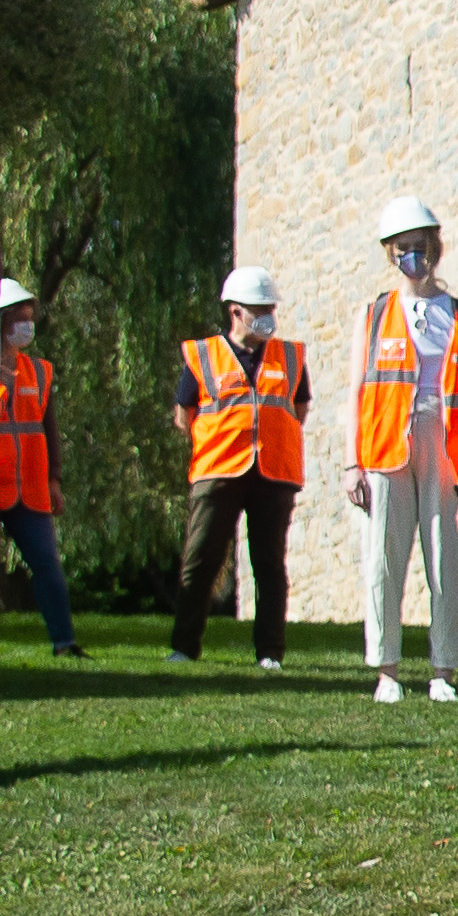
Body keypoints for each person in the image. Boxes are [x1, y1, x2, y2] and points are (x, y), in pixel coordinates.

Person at [350, 197, 458, 706]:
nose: (414, 256)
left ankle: (443, 670)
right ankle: (386, 668)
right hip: (387, 445)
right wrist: (353, 462)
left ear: (436, 248)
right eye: (404, 249)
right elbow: (358, 391)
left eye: (421, 246)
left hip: (448, 445)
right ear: (391, 255)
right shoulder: (373, 317)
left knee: (445, 559)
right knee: (384, 561)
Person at [169, 268, 307, 669]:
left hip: (273, 472)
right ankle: (184, 646)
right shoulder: (203, 355)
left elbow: (299, 408)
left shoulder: (291, 355)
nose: (267, 315)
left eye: (270, 308)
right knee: (201, 561)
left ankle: (270, 653)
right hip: (217, 471)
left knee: (269, 567)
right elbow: (184, 413)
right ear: (235, 312)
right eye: (258, 309)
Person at [0, 278, 83, 659]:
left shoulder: (39, 371)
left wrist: (55, 480)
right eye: (19, 317)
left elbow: (50, 430)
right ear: (0, 320)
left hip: (30, 486)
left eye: (29, 316)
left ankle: (64, 642)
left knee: (47, 566)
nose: (27, 324)